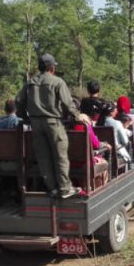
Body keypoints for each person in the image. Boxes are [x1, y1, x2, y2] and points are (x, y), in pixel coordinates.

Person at [16, 53, 90, 199]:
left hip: (36, 124)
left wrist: (25, 117)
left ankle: (52, 188)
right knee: (60, 156)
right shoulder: (57, 82)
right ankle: (64, 188)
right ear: (51, 68)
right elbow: (68, 104)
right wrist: (78, 117)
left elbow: (19, 101)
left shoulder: (30, 83)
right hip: (53, 123)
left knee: (43, 157)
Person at [97, 101, 132, 166]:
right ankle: (131, 165)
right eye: (115, 109)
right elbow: (125, 141)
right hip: (116, 153)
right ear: (111, 112)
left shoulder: (97, 123)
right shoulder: (117, 123)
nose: (116, 110)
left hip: (102, 152)